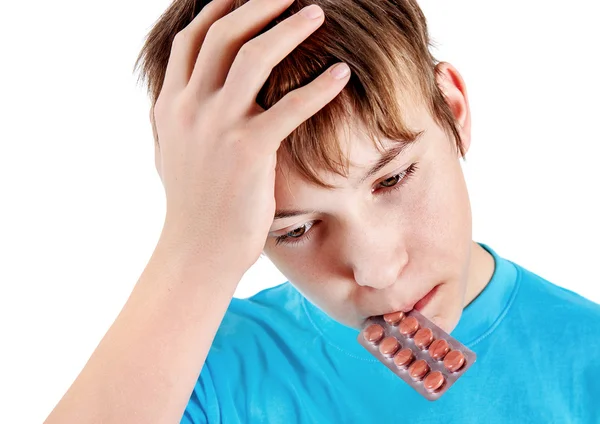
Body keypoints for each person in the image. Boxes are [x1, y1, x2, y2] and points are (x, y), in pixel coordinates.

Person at [45, 0, 600, 422]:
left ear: (452, 112)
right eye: (295, 229)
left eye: (393, 177)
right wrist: (195, 247)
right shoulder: (198, 373)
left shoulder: (588, 361)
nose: (377, 271)